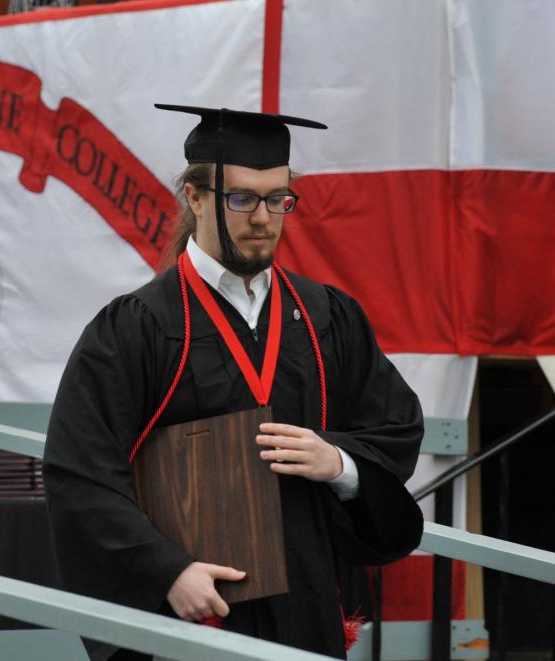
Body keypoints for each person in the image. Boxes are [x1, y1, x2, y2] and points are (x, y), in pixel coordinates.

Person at [42, 104, 424, 660]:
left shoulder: (325, 319)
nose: (264, 218)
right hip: (194, 620)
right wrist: (165, 572)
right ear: (194, 198)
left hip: (305, 611)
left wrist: (339, 464)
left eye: (278, 199)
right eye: (241, 199)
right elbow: (80, 474)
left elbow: (395, 426)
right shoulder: (139, 327)